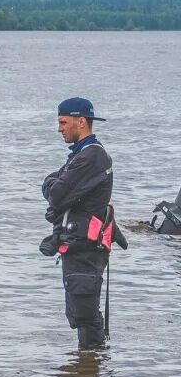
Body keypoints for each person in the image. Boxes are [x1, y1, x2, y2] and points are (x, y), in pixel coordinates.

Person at [40, 97, 123, 349]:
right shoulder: (81, 155)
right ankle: (88, 370)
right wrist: (53, 182)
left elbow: (56, 194)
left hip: (86, 249)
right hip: (78, 246)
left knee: (85, 314)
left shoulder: (91, 156)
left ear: (81, 121)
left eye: (63, 122)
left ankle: (91, 373)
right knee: (80, 313)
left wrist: (52, 183)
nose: (59, 129)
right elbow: (56, 186)